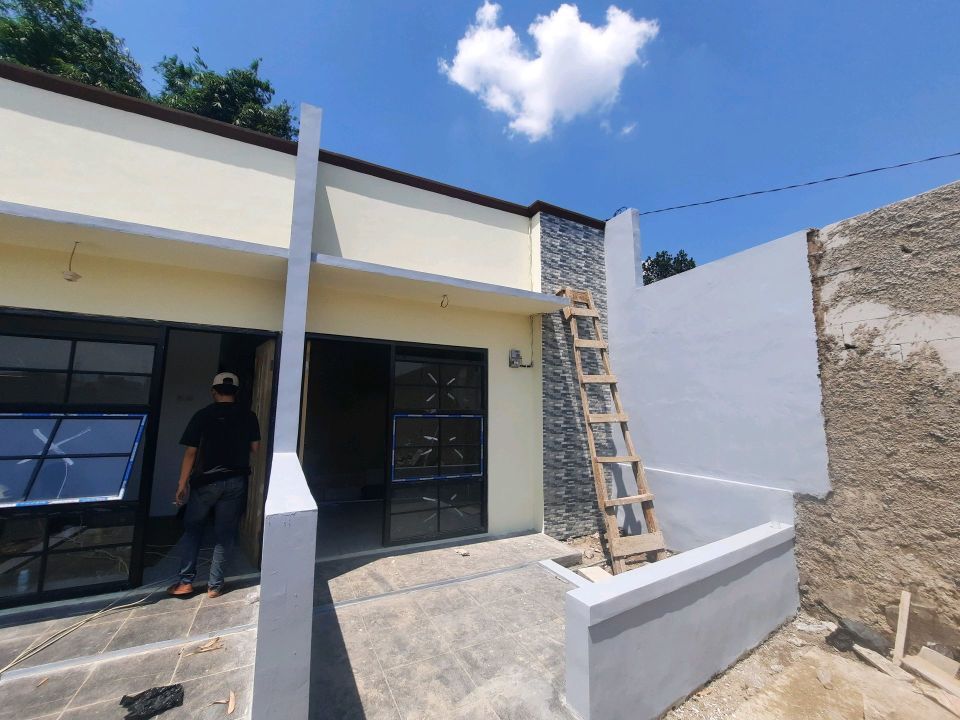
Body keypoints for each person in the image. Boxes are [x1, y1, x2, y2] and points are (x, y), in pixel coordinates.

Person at [167, 372, 261, 598]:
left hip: (205, 482)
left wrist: (182, 483)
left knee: (193, 529)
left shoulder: (202, 415)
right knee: (225, 533)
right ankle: (215, 585)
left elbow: (190, 452)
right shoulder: (248, 416)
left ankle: (185, 582)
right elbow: (255, 448)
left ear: (213, 391)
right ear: (236, 392)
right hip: (235, 480)